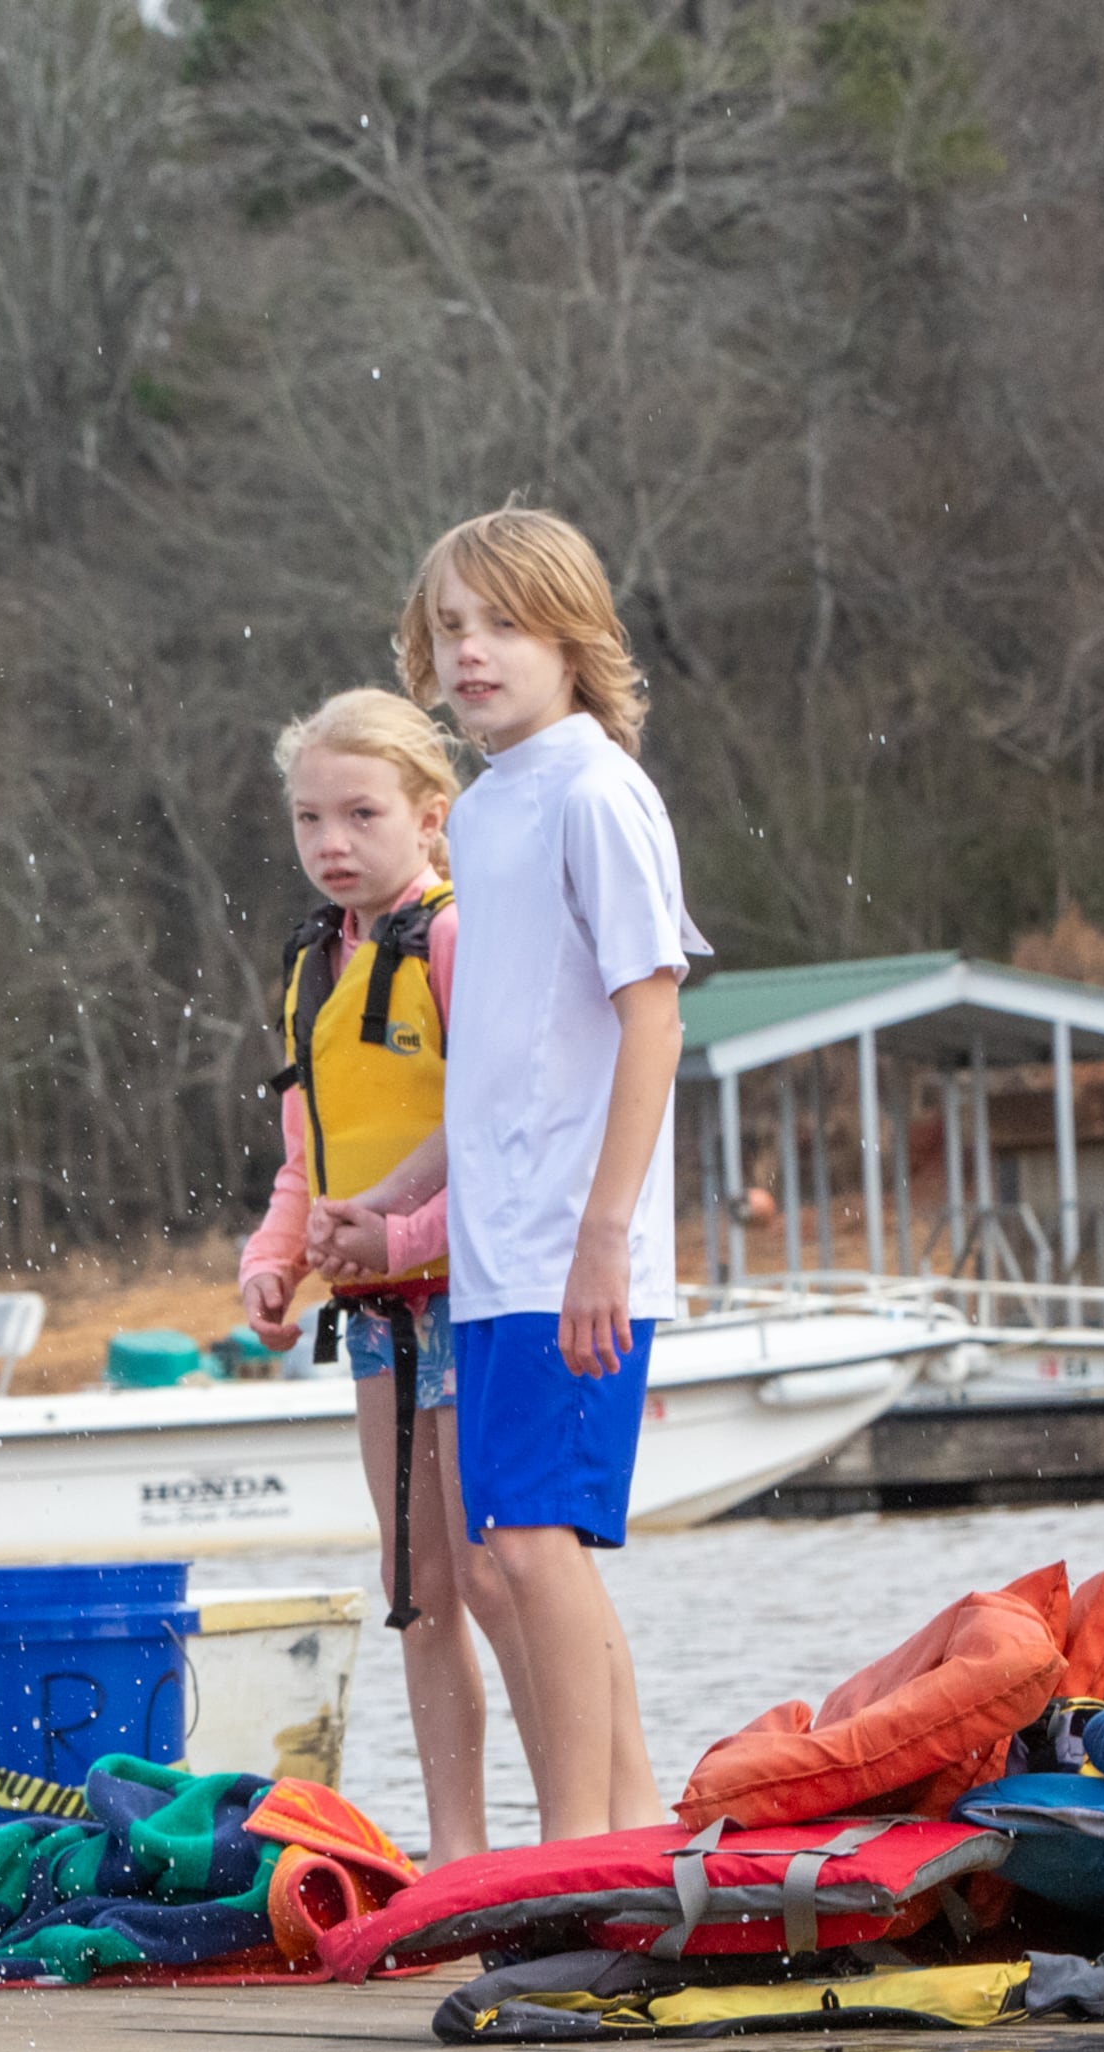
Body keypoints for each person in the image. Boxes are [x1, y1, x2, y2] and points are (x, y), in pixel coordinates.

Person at [335, 501, 693, 1842]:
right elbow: (495, 1064)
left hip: (574, 1248)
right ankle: (634, 1836)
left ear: (571, 634)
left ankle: (588, 1852)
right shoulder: (481, 814)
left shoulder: (600, 791)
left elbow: (653, 1015)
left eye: (499, 624)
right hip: (491, 1254)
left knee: (540, 1546)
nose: (469, 651)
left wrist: (606, 1236)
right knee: (497, 1558)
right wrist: (395, 1202)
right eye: (448, 628)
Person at [236, 689, 537, 1861]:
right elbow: (307, 1162)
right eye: (311, 818)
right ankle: (455, 1856)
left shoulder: (458, 942)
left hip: (469, 1294)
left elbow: (502, 1138)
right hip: (373, 1317)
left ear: (431, 816)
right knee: (415, 1583)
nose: (332, 844)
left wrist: (402, 1243)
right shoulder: (313, 965)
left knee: (492, 1568)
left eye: (362, 815)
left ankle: (563, 1829)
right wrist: (274, 1263)